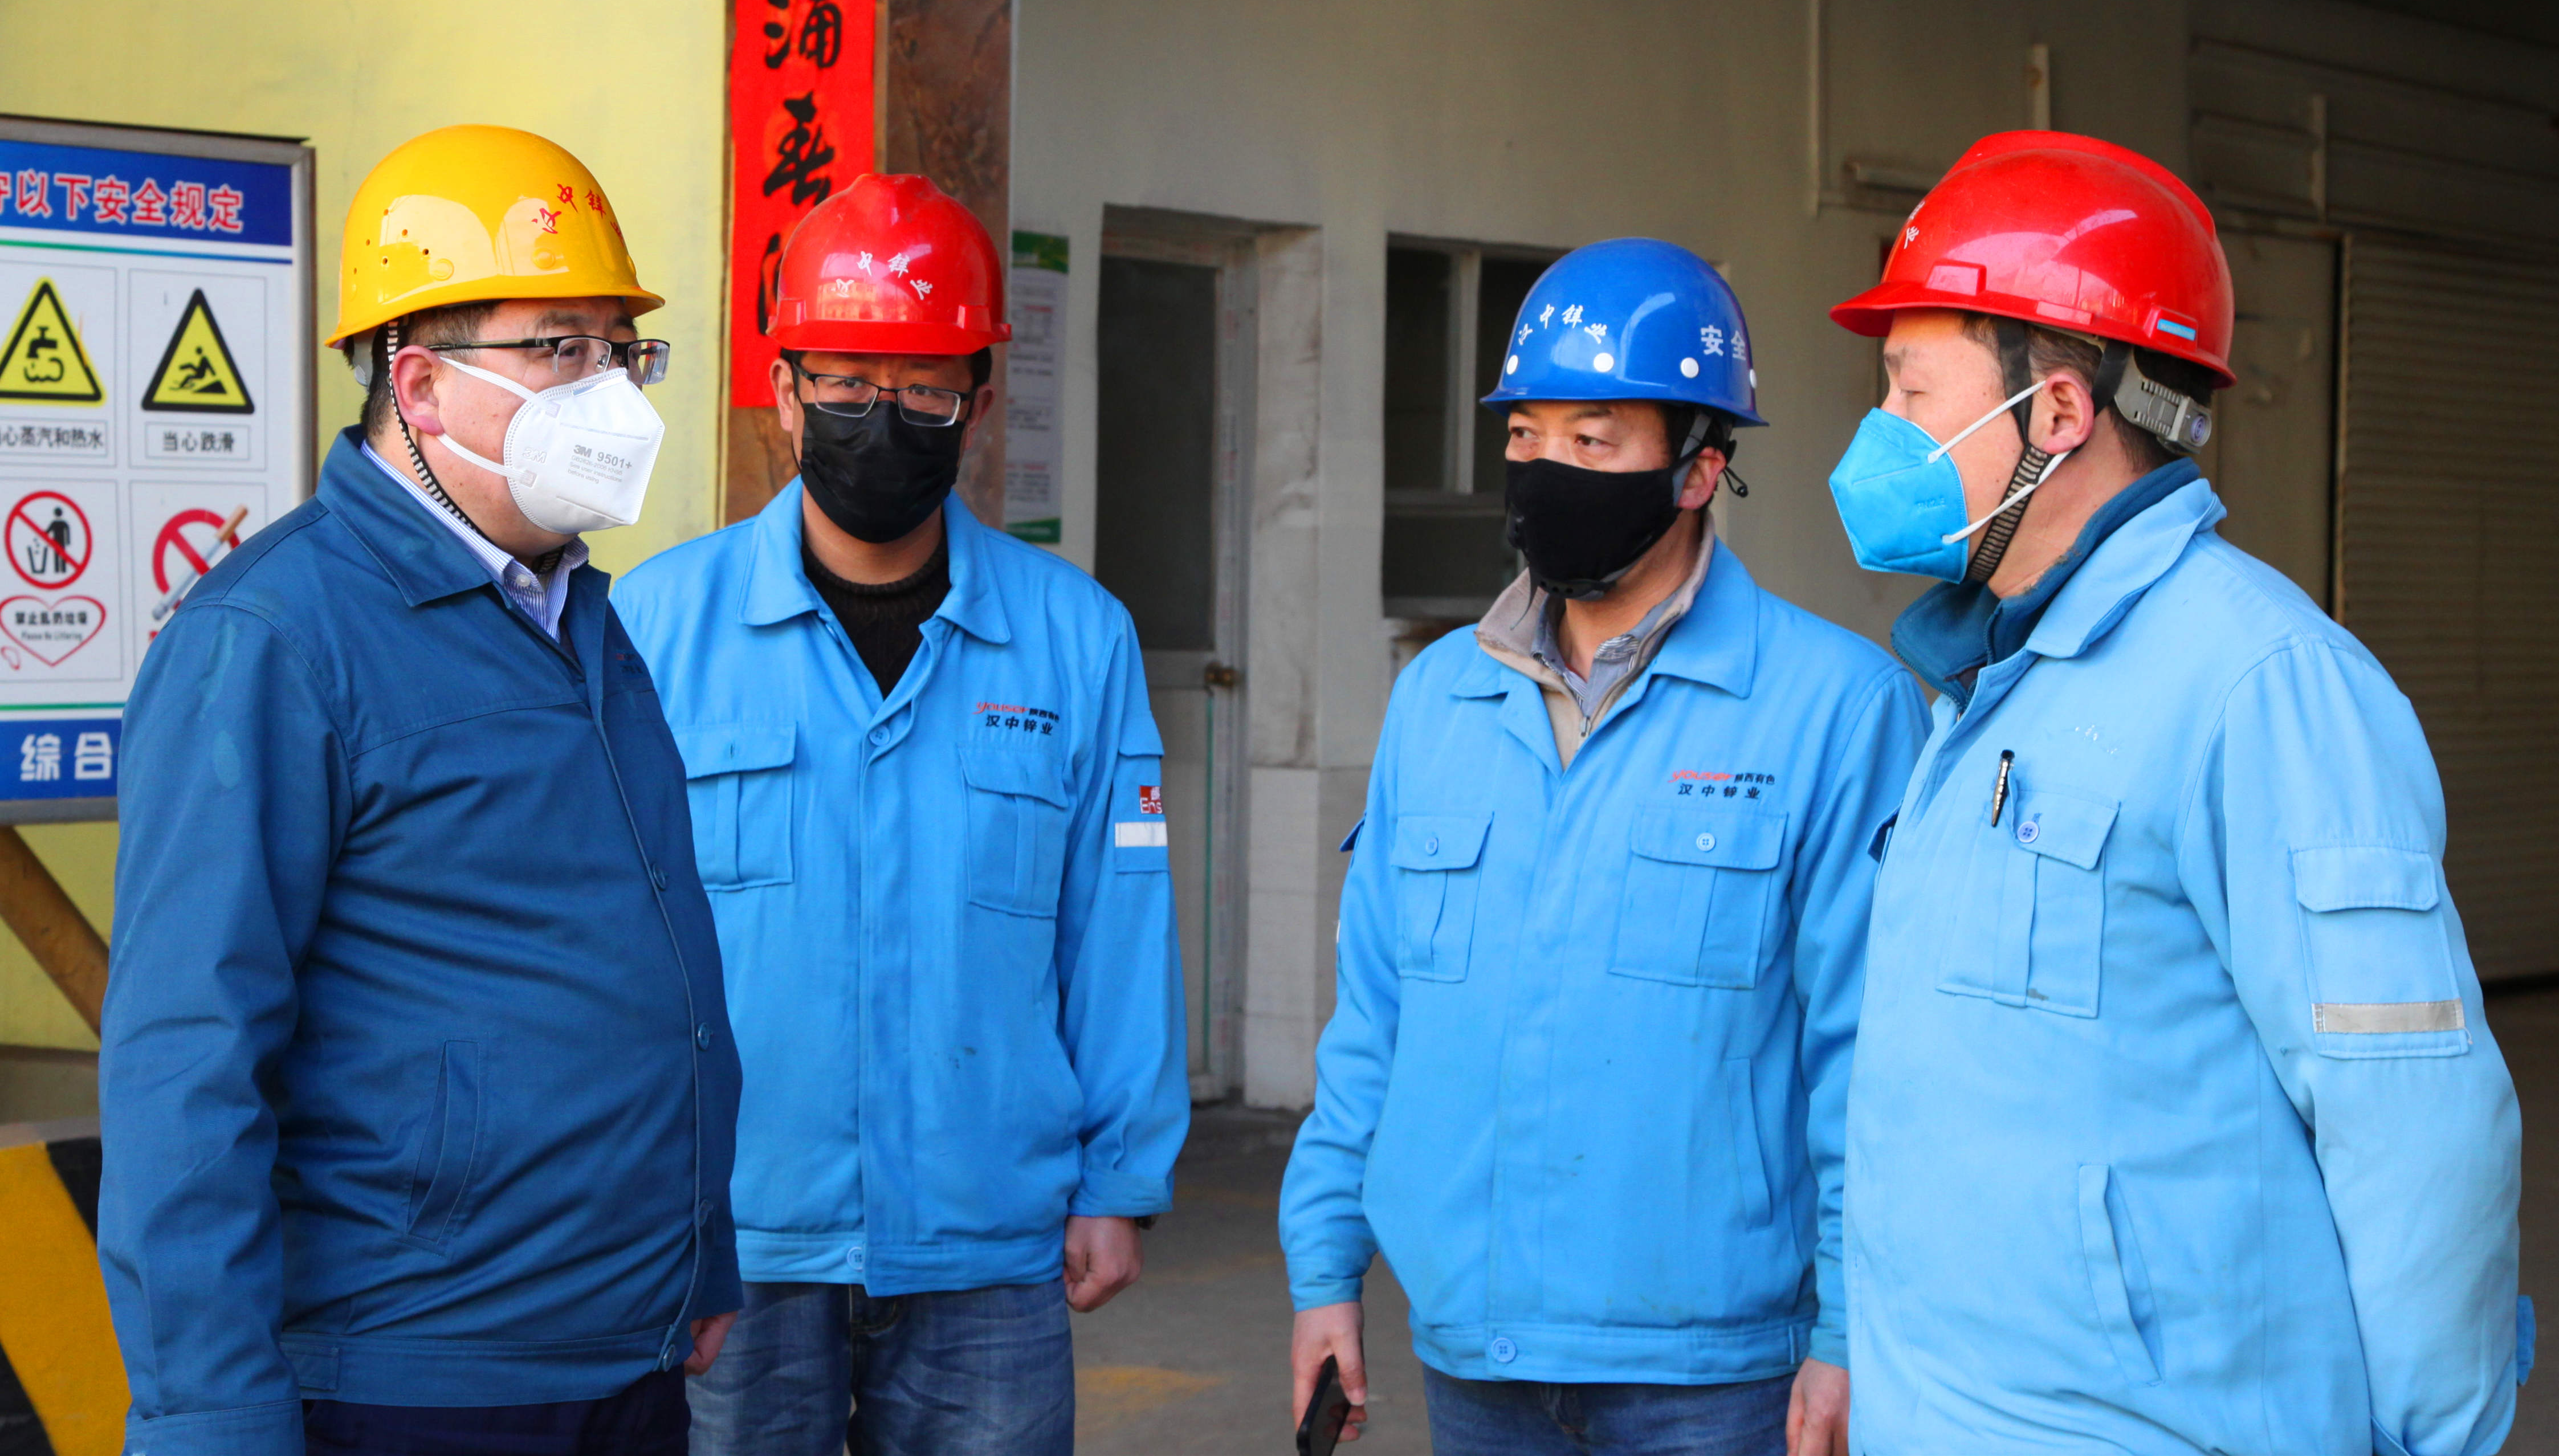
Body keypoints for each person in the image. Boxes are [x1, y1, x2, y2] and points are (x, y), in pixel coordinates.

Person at [1828, 130, 2527, 1454]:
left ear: (2058, 414)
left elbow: (2412, 1125)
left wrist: (2432, 1439)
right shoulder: (1986, 687)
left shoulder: (2262, 686)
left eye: (1910, 392)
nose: (1880, 436)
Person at [97, 124, 742, 1456]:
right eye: (558, 349)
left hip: (626, 1351)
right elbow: (186, 1061)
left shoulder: (580, 617)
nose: (612, 395)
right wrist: (209, 1420)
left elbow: (643, 970)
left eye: (622, 350)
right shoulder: (273, 639)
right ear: (421, 384)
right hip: (415, 1378)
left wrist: (697, 1256)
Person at [1281, 240, 1928, 1456]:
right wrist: (1324, 1267)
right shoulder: (1439, 701)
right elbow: (1373, 1021)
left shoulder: (1836, 709)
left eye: (1592, 440)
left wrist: (1850, 1331)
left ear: (1698, 470)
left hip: (1717, 1376)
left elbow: (1869, 1065)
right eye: (1525, 436)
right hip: (1475, 1354)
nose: (1545, 471)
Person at [612, 172, 1186, 1456]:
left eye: (925, 389)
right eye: (846, 383)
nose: (884, 419)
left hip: (989, 1236)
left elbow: (1119, 927)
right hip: (731, 1233)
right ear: (782, 393)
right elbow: (606, 943)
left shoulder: (1076, 637)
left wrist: (1120, 1180)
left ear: (976, 404)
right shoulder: (656, 626)